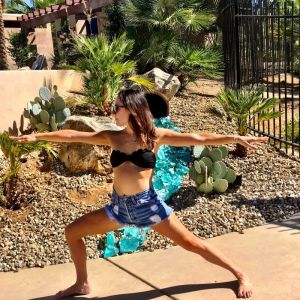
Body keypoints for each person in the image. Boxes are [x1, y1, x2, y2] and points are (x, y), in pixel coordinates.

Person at [12, 89, 268, 299]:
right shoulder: (112, 137)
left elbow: (198, 138)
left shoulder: (155, 137)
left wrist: (234, 137)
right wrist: (37, 136)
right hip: (119, 208)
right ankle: (82, 283)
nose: (112, 111)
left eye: (117, 107)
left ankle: (239, 273)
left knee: (192, 244)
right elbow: (72, 134)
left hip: (148, 206)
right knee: (72, 232)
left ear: (132, 109)